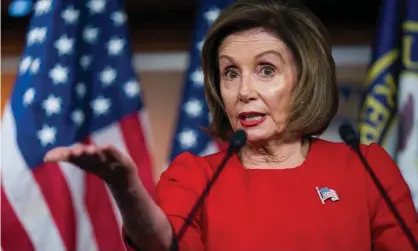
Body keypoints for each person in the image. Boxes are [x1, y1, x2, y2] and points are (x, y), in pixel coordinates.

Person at [44, 0, 418, 250]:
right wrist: (125, 187)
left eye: (266, 70)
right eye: (230, 73)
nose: (243, 91)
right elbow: (162, 242)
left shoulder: (367, 168)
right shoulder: (193, 175)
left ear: (307, 78)